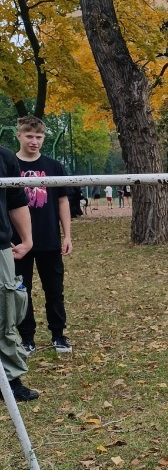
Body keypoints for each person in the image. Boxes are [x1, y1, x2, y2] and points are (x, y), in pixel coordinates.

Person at [13, 117, 73, 354]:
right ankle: (26, 339)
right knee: (21, 292)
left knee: (54, 290)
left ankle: (58, 335)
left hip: (49, 239)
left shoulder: (54, 166)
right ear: (19, 135)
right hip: (18, 243)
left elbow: (62, 201)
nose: (34, 141)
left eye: (38, 137)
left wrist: (67, 235)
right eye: (29, 136)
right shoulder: (9, 165)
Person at [0, 144, 37, 402]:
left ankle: (9, 380)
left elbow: (16, 201)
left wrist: (27, 239)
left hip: (0, 247)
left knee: (5, 312)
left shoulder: (4, 157)